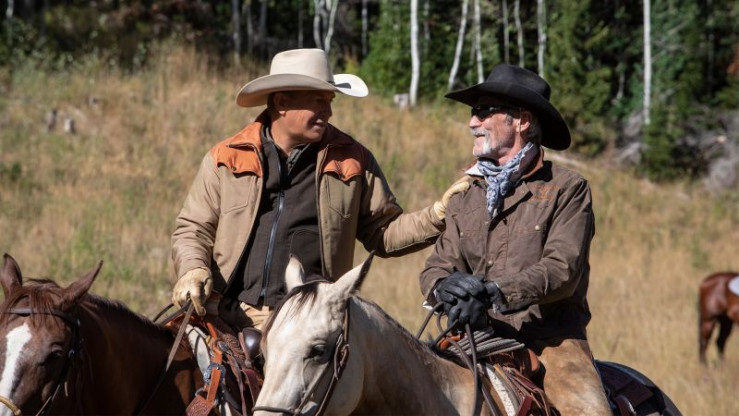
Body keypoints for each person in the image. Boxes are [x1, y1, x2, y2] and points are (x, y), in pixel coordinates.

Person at [170, 48, 467, 331]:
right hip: (222, 310)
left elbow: (384, 233)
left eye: (329, 101)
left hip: (308, 321)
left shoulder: (353, 160)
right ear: (281, 103)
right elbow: (193, 228)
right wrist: (192, 268)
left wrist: (437, 215)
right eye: (318, 101)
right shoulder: (227, 156)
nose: (328, 111)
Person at [419, 63, 612, 415]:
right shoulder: (466, 192)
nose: (472, 122)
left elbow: (562, 269)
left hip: (550, 342)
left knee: (588, 411)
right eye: (473, 112)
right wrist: (443, 287)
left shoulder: (567, 188)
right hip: (471, 335)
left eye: (484, 111)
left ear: (522, 120)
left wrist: (494, 293)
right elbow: (438, 265)